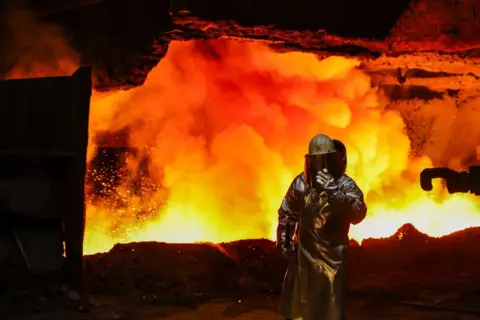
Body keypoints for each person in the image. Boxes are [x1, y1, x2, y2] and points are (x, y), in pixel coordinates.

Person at [276, 134, 367, 320]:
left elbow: (358, 214)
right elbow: (286, 212)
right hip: (303, 259)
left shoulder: (345, 184)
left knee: (329, 311)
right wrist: (285, 243)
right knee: (298, 311)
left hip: (332, 261)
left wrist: (335, 193)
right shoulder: (301, 183)